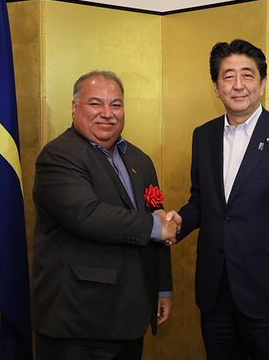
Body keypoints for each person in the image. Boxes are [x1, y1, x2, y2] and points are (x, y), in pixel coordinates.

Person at [169, 39, 269, 359]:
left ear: (263, 83)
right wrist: (180, 221)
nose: (238, 85)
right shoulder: (203, 135)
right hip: (216, 289)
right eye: (228, 76)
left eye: (247, 75)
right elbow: (201, 200)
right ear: (215, 86)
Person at [32, 70, 178, 360]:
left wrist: (161, 288)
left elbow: (157, 219)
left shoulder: (140, 160)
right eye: (95, 104)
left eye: (116, 104)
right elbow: (87, 215)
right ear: (75, 107)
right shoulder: (59, 156)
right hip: (79, 321)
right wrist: (155, 226)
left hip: (130, 315)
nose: (107, 114)